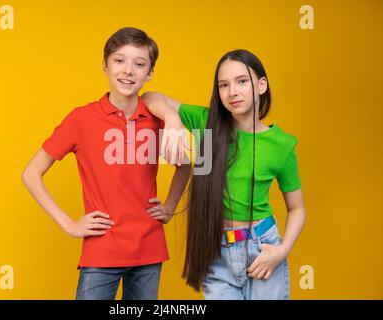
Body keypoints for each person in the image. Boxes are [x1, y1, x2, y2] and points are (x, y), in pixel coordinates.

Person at [22, 27, 191, 300]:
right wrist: (68, 224)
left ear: (149, 74)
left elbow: (186, 164)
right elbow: (31, 173)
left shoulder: (157, 119)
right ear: (105, 65)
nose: (128, 70)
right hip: (102, 249)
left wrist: (170, 206)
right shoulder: (81, 119)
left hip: (149, 248)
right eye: (119, 60)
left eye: (139, 64)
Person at [142, 49, 306, 300]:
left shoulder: (281, 145)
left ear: (261, 85)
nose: (232, 92)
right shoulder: (206, 123)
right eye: (223, 85)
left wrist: (282, 251)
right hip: (215, 249)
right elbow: (150, 96)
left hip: (262, 248)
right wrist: (172, 118)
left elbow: (297, 208)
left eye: (242, 81)